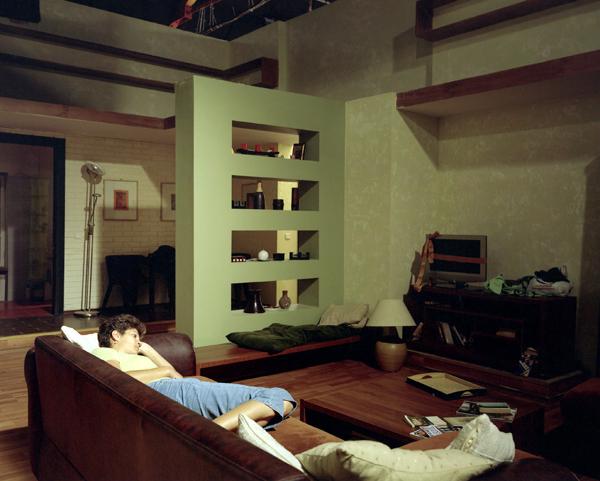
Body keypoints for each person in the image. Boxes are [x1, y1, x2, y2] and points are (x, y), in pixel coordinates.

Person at [92, 314, 295, 431]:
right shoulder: (105, 352)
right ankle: (207, 435)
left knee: (278, 409)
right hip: (165, 390)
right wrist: (164, 371)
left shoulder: (139, 356)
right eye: (134, 336)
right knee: (279, 396)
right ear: (115, 335)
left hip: (179, 388)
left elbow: (177, 377)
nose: (139, 342)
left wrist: (150, 351)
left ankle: (217, 435)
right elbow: (116, 380)